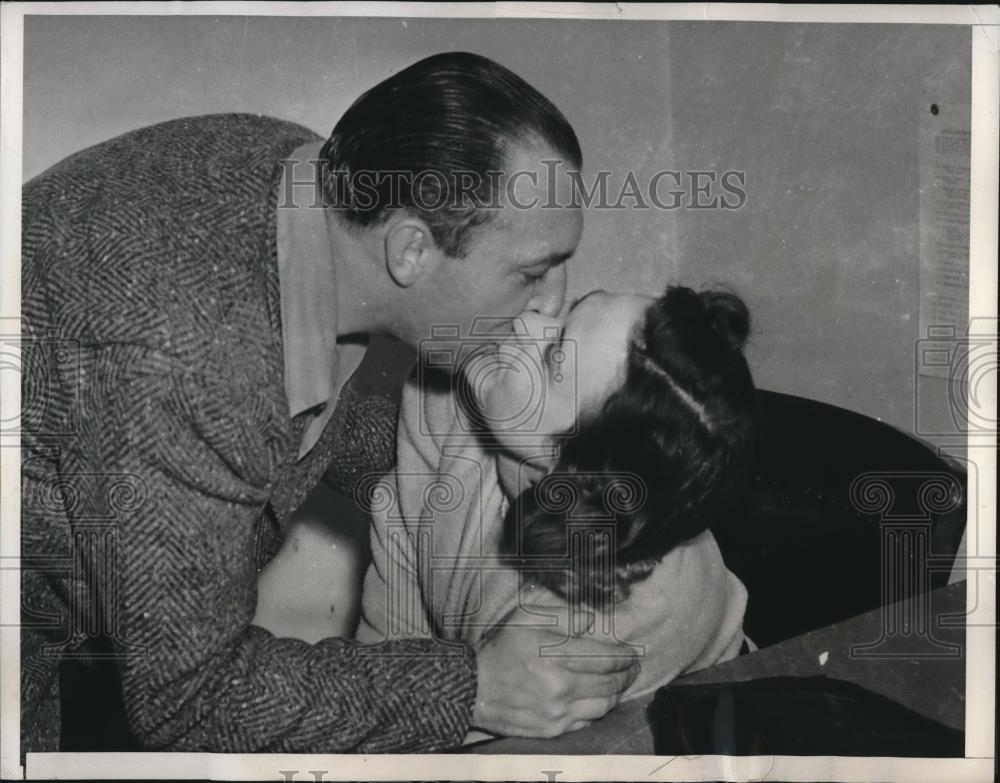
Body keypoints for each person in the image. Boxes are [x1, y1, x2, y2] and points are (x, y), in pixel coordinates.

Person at [19, 52, 641, 755]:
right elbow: (188, 698)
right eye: (532, 272)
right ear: (411, 251)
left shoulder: (310, 194)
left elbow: (324, 404)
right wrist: (478, 686)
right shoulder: (189, 348)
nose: (551, 303)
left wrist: (498, 473)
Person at [356, 285, 758, 737]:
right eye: (569, 312)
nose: (530, 318)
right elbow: (394, 614)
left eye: (551, 356)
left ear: (569, 478)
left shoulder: (608, 623)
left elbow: (502, 750)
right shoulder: (445, 394)